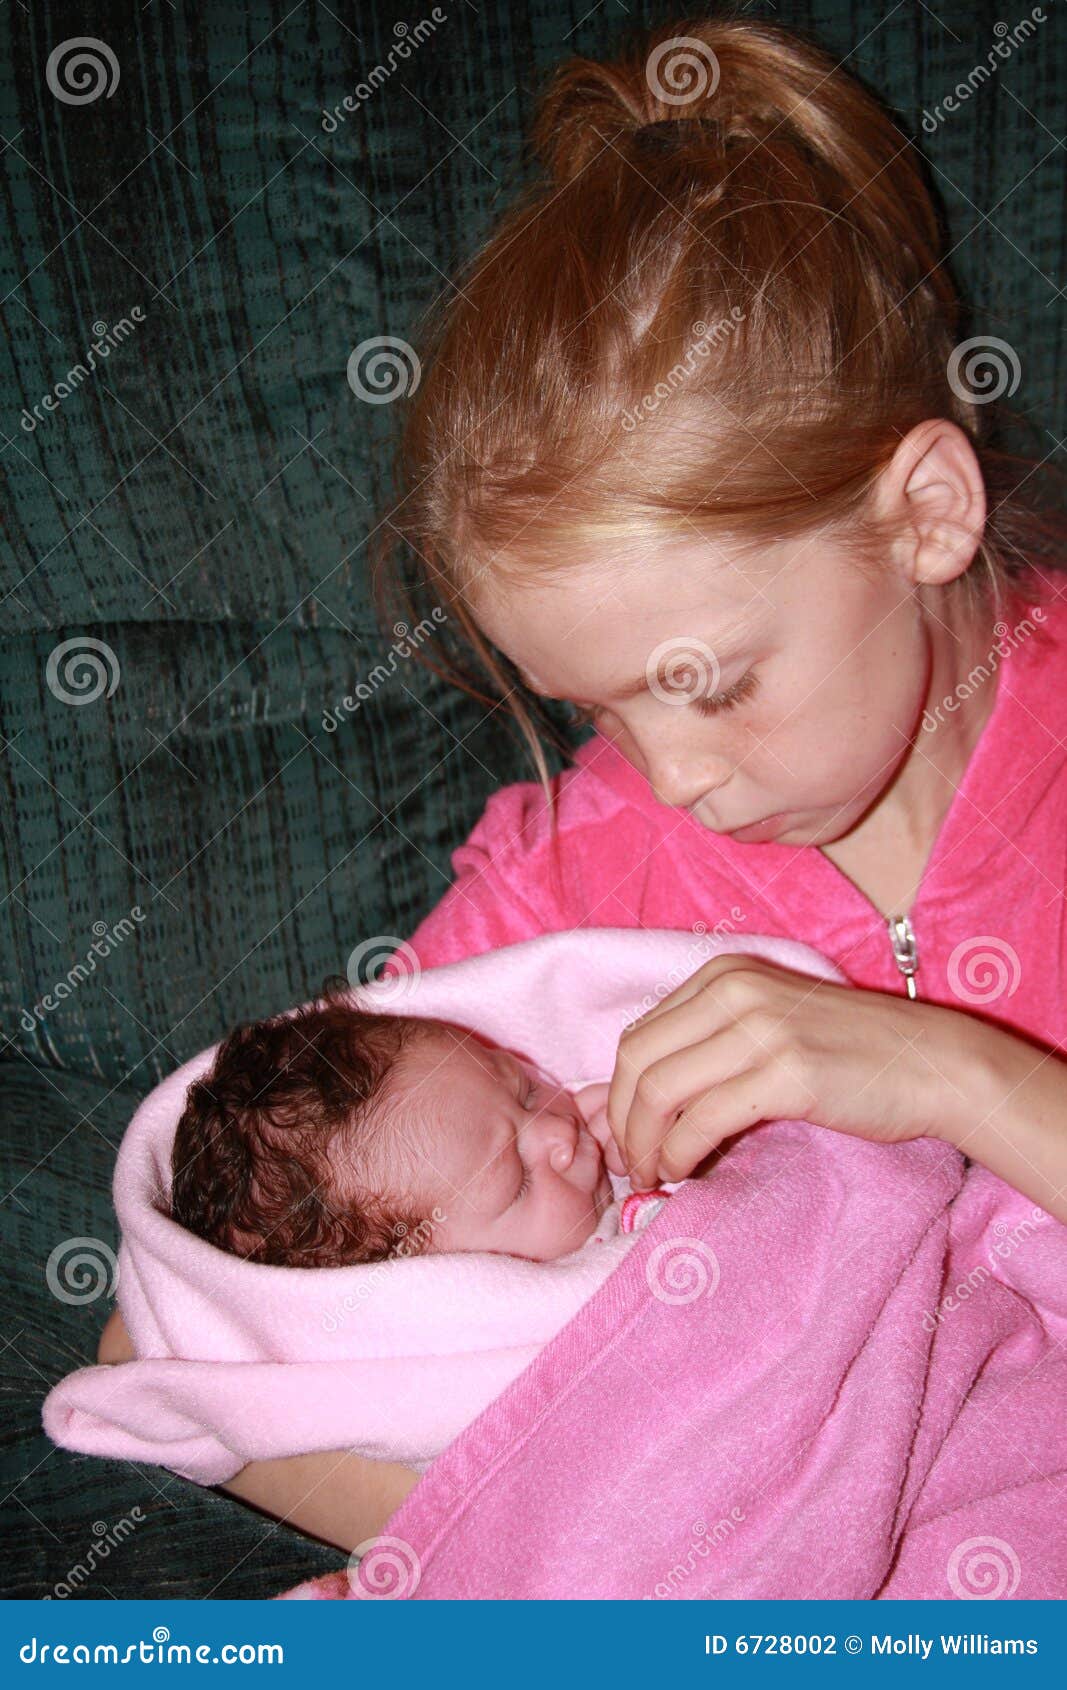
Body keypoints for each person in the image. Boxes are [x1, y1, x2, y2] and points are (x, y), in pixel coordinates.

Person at [102, 11, 1067, 1552]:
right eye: (592, 708)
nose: (672, 778)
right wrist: (633, 1555)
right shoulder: (568, 877)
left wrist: (955, 1076)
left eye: (713, 682)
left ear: (927, 513)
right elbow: (166, 1344)